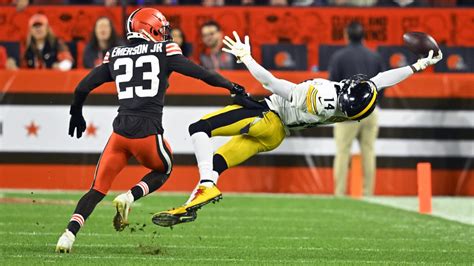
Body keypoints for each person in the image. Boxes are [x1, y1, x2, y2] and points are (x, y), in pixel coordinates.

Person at [152, 31, 442, 227]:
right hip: (276, 135)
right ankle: (193, 202)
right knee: (217, 162)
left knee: (199, 127)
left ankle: (204, 186)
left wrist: (246, 58)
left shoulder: (322, 96)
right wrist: (418, 66)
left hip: (268, 115)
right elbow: (384, 79)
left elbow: (271, 83)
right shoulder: (352, 107)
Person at [55, 8, 246, 253]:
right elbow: (202, 74)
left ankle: (68, 235)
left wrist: (76, 112)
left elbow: (82, 87)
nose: (165, 34)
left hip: (120, 133)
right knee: (164, 168)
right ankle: (130, 197)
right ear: (149, 28)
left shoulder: (115, 53)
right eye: (161, 29)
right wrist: (232, 86)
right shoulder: (164, 51)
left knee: (96, 189)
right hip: (147, 132)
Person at [328, 21, 385, 196]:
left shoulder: (339, 57)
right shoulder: (375, 57)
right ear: (363, 36)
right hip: (370, 111)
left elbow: (333, 86)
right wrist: (373, 103)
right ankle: (368, 194)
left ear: (346, 35)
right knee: (368, 151)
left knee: (342, 151)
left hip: (347, 113)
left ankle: (340, 193)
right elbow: (383, 83)